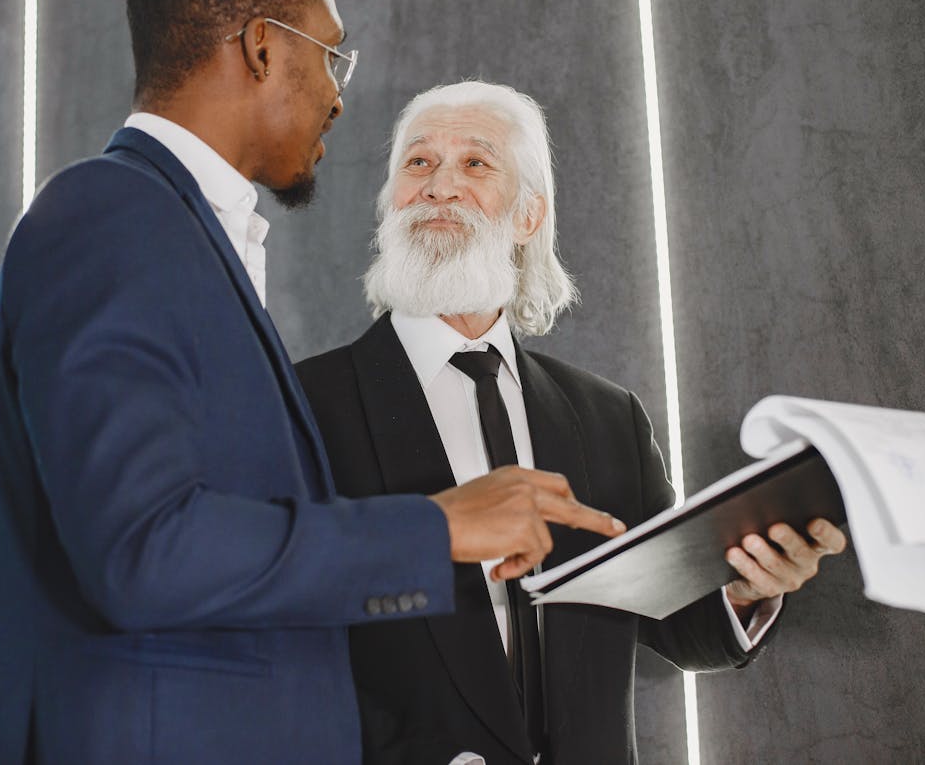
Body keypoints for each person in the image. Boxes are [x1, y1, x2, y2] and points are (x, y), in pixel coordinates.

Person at [0, 0, 623, 764]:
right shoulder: (110, 217)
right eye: (331, 55)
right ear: (260, 49)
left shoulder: (178, 233)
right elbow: (142, 550)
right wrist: (434, 529)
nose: (340, 95)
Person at [295, 81, 847, 765]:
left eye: (475, 163)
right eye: (418, 163)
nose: (439, 186)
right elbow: (276, 623)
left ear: (528, 215)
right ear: (389, 204)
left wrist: (745, 585)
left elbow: (675, 625)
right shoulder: (301, 404)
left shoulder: (607, 416)